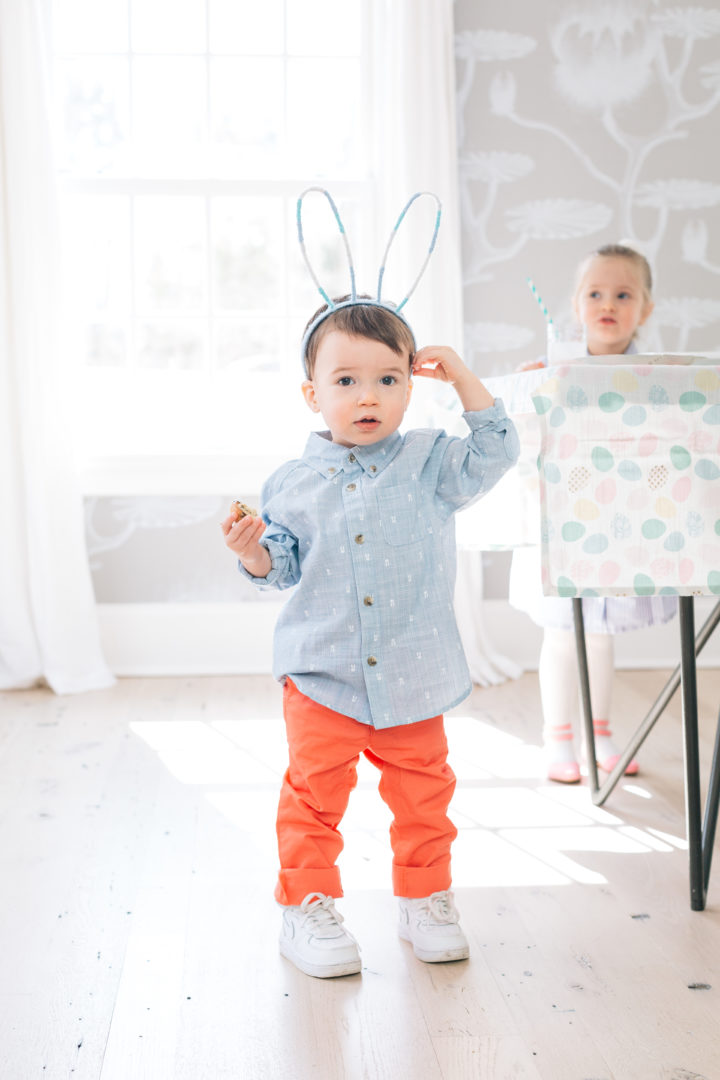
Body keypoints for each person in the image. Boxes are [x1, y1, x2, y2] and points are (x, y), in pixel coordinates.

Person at [222, 290, 520, 979]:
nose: (368, 396)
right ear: (312, 393)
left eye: (389, 379)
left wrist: (466, 381)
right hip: (323, 675)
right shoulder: (292, 483)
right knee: (313, 797)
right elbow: (281, 566)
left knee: (425, 797)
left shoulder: (431, 463)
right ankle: (309, 904)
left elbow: (497, 451)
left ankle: (425, 900)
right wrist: (252, 552)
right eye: (346, 381)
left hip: (413, 674)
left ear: (411, 386)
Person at [510, 243, 676, 784]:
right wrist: (530, 387)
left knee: (599, 634)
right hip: (561, 518)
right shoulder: (558, 368)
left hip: (619, 523)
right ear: (576, 304)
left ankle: (598, 734)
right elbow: (524, 437)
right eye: (595, 293)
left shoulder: (655, 376)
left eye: (623, 294)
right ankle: (557, 740)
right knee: (564, 631)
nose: (608, 303)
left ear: (645, 309)